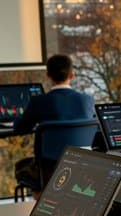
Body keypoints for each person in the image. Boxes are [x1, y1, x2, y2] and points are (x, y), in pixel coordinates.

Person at [13, 53, 95, 190]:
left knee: (20, 166)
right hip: (83, 165)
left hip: (49, 169)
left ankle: (41, 200)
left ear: (47, 75)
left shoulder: (39, 101)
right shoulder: (86, 100)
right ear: (72, 75)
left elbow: (19, 128)